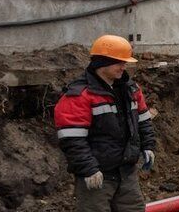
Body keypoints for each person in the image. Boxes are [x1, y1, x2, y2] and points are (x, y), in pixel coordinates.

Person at [53, 35, 156, 212]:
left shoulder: (130, 89)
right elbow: (72, 139)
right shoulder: (80, 95)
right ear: (102, 63)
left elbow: (143, 120)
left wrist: (148, 145)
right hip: (98, 175)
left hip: (126, 171)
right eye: (119, 62)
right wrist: (89, 169)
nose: (124, 67)